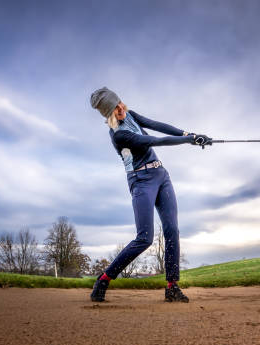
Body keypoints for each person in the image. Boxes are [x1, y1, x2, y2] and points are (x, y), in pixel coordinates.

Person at [89, 87, 211, 303]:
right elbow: (154, 140)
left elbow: (157, 125)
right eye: (114, 109)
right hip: (141, 181)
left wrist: (187, 134)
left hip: (161, 176)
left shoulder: (131, 114)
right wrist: (190, 140)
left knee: (172, 229)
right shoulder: (119, 136)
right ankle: (104, 279)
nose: (120, 108)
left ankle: (172, 286)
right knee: (145, 238)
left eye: (119, 103)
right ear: (108, 115)